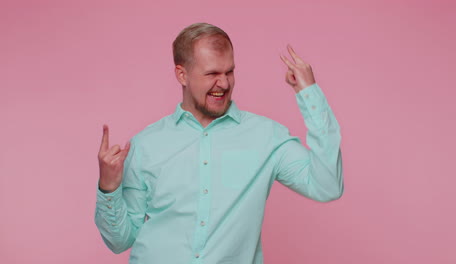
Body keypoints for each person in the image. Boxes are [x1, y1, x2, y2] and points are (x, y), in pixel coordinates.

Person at [95, 22, 343, 264]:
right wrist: (108, 187)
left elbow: (327, 185)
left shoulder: (267, 137)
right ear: (182, 74)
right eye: (212, 73)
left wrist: (310, 94)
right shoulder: (145, 144)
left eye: (229, 72)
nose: (224, 84)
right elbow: (120, 241)